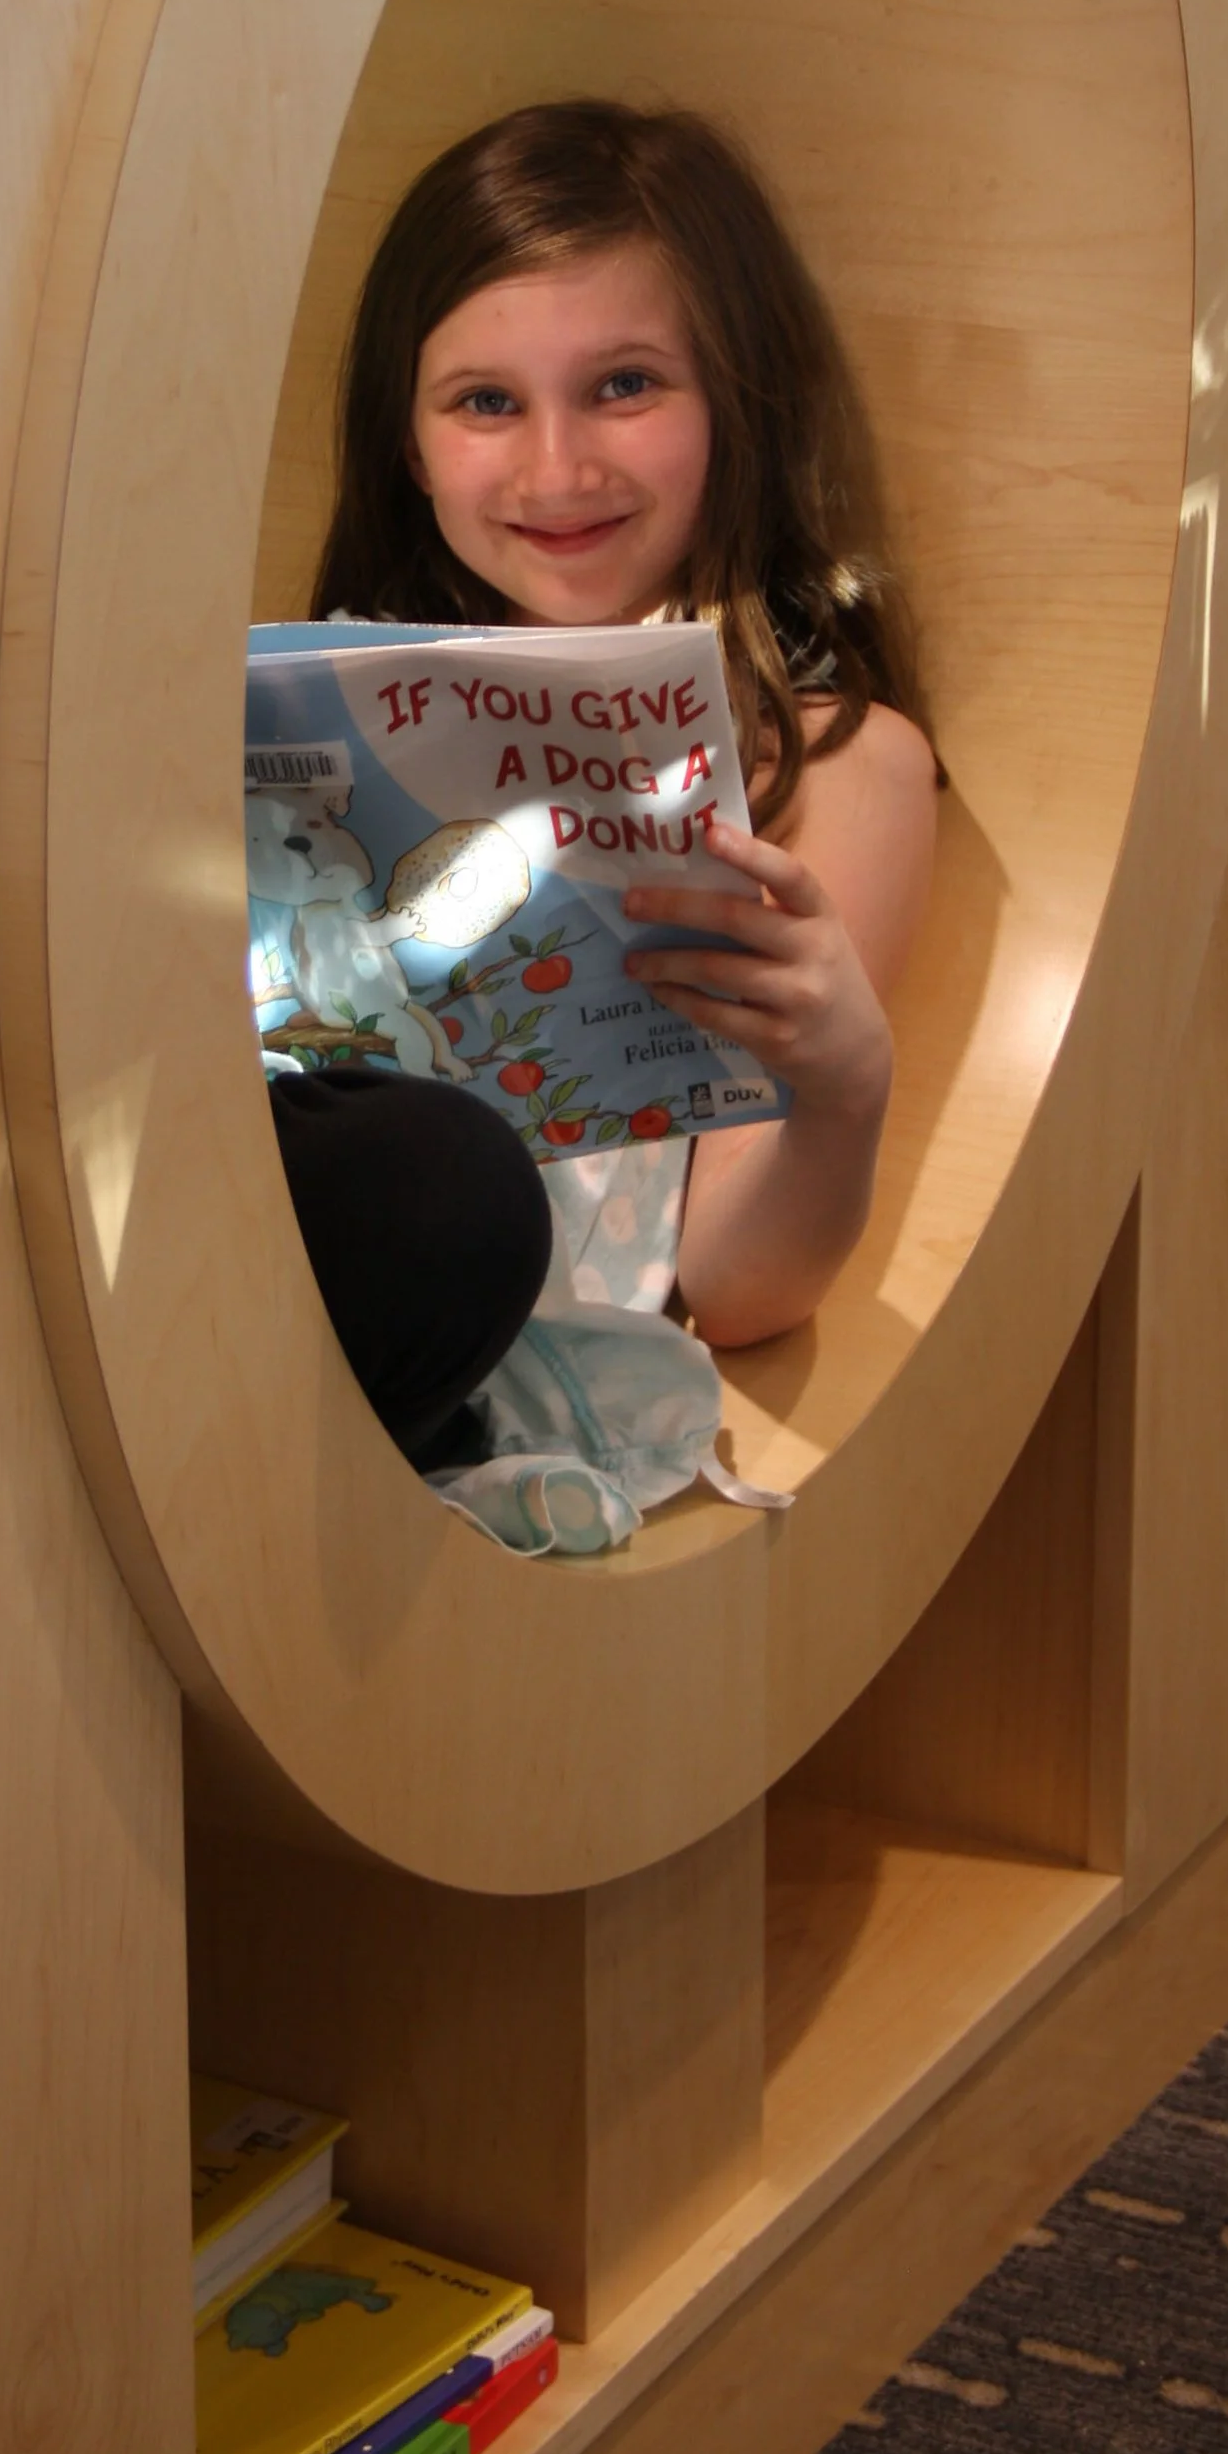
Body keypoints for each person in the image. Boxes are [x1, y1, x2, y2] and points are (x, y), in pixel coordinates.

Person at [267, 98, 938, 1548]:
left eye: (625, 385)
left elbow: (736, 1288)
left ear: (739, 402)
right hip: (247, 1221)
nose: (558, 469)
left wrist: (843, 1083)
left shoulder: (830, 767)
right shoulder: (313, 695)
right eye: (485, 402)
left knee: (450, 1189)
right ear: (408, 442)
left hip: (453, 1288)